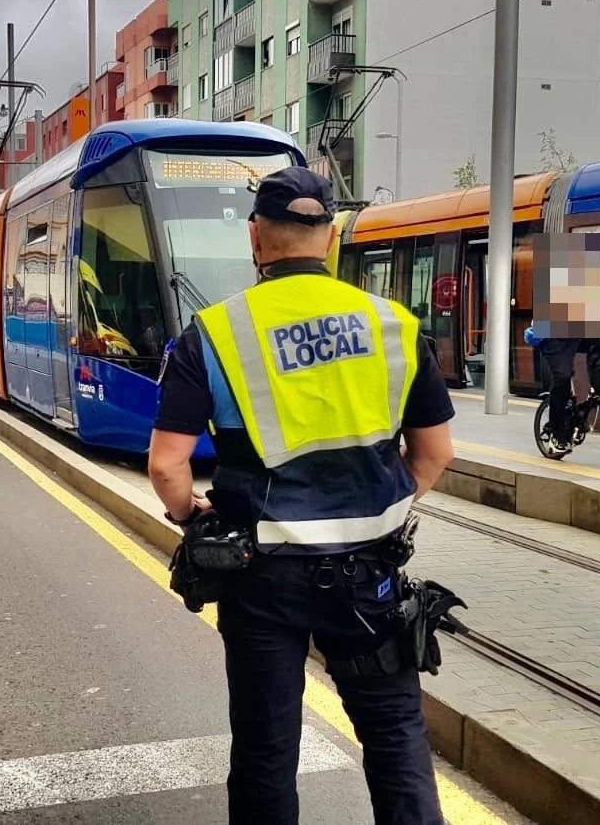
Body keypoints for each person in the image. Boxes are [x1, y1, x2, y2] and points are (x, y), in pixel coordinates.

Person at [148, 166, 457, 824]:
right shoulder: (394, 325)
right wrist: (383, 507)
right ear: (329, 237)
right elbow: (434, 455)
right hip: (371, 576)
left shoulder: (215, 333)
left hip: (261, 579)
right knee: (395, 731)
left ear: (256, 237)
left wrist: (191, 514)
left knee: (265, 748)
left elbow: (167, 466)